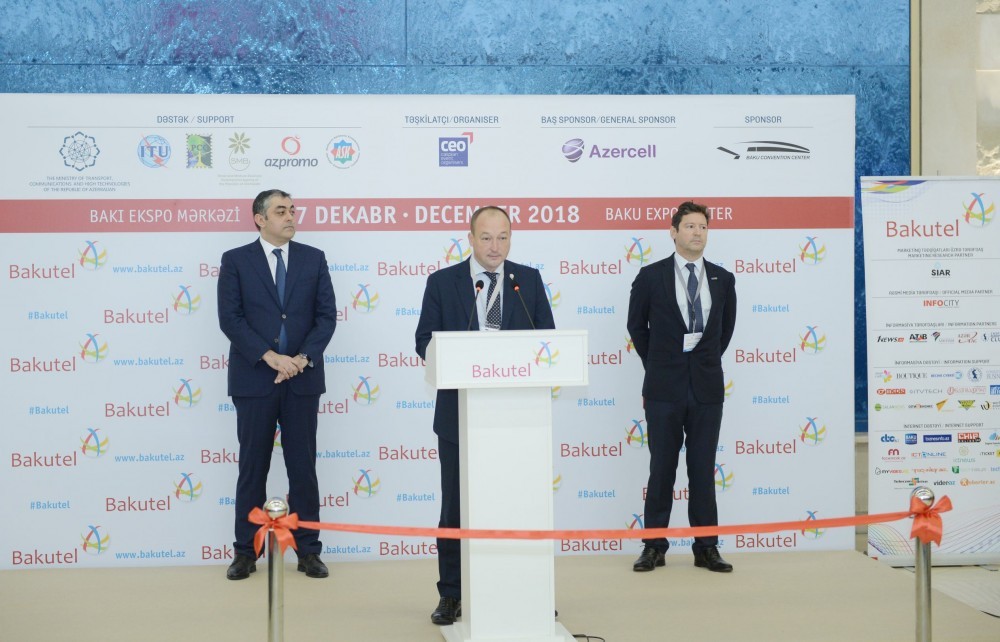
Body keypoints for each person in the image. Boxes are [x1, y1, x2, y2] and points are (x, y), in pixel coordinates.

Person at [415, 206, 555, 625]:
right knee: (456, 508)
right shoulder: (443, 282)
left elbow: (547, 340)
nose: (496, 247)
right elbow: (424, 341)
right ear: (471, 239)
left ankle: (528, 590)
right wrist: (463, 357)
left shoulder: (527, 280)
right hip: (459, 416)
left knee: (520, 505)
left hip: (518, 418)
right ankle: (452, 594)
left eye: (503, 237)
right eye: (487, 237)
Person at [218, 189, 337, 580]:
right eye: (281, 211)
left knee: (303, 468)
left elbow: (326, 318)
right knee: (252, 468)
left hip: (302, 380)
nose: (290, 217)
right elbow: (230, 319)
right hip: (255, 380)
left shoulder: (313, 258)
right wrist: (270, 357)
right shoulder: (236, 260)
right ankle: (245, 552)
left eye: (292, 210)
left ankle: (308, 551)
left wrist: (300, 360)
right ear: (259, 218)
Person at [626, 200, 737, 574]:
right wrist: (659, 363)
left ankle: (707, 548)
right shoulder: (650, 276)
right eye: (690, 226)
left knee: (703, 470)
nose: (697, 233)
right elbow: (637, 327)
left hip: (706, 389)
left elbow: (724, 331)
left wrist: (701, 361)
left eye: (703, 227)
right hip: (664, 388)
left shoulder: (723, 279)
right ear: (673, 232)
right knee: (662, 468)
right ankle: (653, 546)